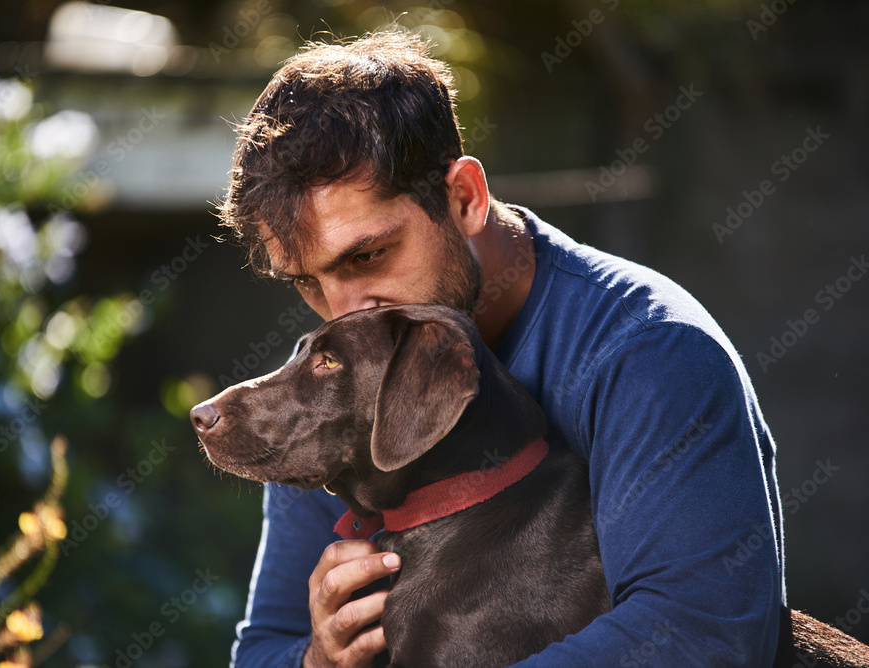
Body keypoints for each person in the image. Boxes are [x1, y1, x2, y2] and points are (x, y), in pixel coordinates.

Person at [216, 29, 784, 667]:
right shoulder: (333, 389)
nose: (347, 312)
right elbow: (262, 650)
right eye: (308, 283)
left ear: (464, 198)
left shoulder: (648, 353)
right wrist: (319, 660)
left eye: (368, 255)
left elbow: (702, 636)